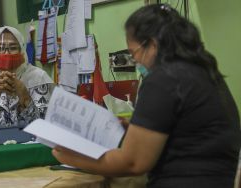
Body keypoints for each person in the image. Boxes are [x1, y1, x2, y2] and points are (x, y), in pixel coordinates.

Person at [52, 4, 241, 188]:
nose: (136, 62)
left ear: (152, 45)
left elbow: (133, 162)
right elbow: (184, 133)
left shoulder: (164, 79)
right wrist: (133, 130)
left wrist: (72, 157)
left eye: (134, 54)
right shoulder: (204, 73)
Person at [0, 26, 53, 138]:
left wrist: (24, 95)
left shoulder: (37, 77)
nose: (6, 53)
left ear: (22, 50)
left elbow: (45, 130)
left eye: (13, 48)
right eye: (0, 48)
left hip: (28, 149)